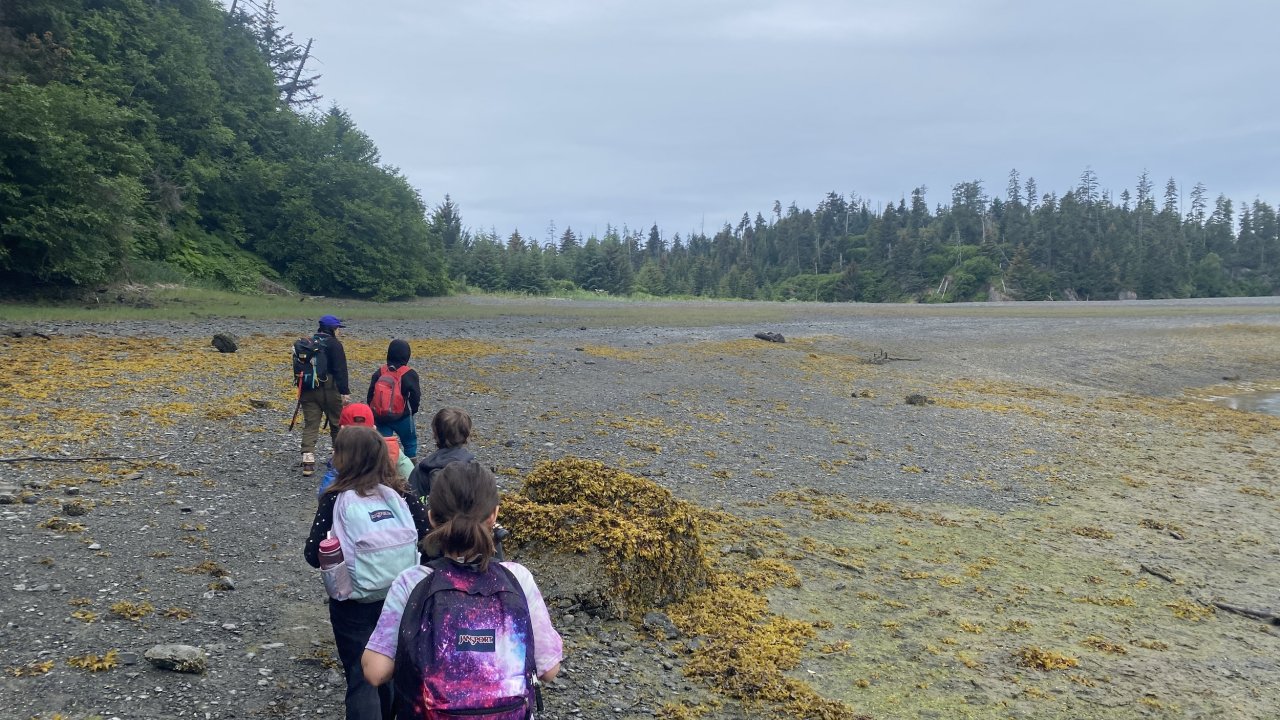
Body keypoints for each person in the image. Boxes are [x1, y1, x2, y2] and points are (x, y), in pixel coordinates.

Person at [360, 462, 562, 717]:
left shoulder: (413, 582)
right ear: (494, 516)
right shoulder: (517, 578)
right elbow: (549, 670)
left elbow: (375, 671)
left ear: (431, 517)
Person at [305, 426, 431, 720]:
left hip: (353, 605)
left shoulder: (334, 499)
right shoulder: (401, 493)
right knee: (393, 667)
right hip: (401, 600)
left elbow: (313, 555)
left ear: (344, 459)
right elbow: (427, 539)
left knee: (361, 675)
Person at [316, 403, 415, 498]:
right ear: (374, 428)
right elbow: (410, 476)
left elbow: (324, 495)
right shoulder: (392, 450)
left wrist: (335, 461)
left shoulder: (340, 459)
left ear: (342, 429)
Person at [300, 314, 351, 477]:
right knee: (336, 423)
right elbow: (340, 370)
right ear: (332, 329)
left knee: (311, 425)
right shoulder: (335, 345)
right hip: (330, 389)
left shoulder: (308, 343)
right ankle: (339, 460)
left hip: (308, 389)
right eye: (338, 329)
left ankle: (308, 460)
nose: (339, 332)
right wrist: (344, 392)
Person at [407, 407, 475, 505]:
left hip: (429, 518)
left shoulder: (421, 470)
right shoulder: (475, 469)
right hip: (466, 520)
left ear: (435, 434)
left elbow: (411, 504)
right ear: (467, 435)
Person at [366, 339, 422, 458]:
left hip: (381, 417)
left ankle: (384, 469)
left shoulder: (380, 372)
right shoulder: (409, 374)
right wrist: (413, 411)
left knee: (383, 446)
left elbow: (370, 393)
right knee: (410, 443)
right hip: (403, 416)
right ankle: (410, 471)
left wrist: (374, 411)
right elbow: (415, 396)